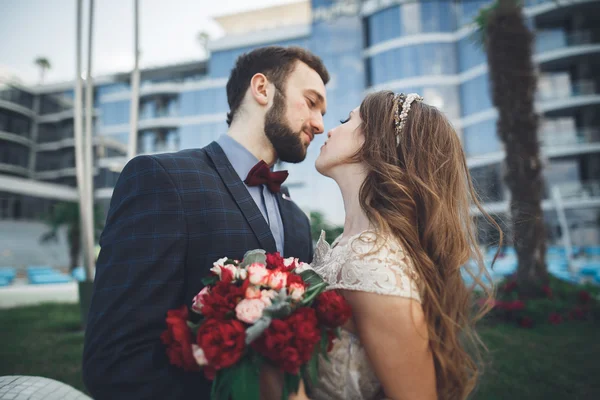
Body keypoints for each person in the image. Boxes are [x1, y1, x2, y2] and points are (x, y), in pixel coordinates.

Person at [82, 46, 330, 400]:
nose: (320, 123)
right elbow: (115, 359)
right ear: (262, 89)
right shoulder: (162, 179)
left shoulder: (297, 219)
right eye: (310, 101)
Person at [285, 91, 499, 400]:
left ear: (377, 143)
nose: (330, 129)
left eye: (348, 120)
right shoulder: (351, 247)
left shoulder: (373, 266)